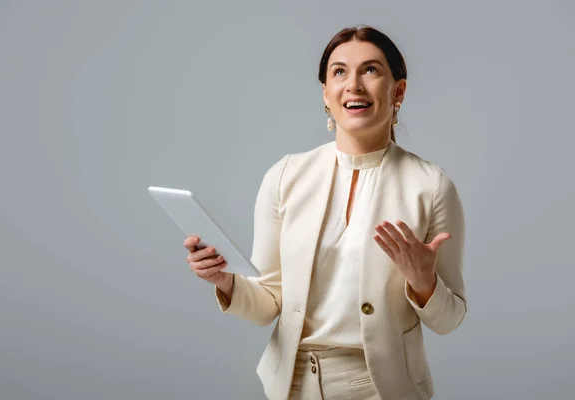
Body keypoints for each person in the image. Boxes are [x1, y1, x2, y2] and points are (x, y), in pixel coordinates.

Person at [183, 25, 466, 400]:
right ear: (326, 95)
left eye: (371, 70)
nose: (354, 85)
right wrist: (224, 281)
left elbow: (450, 320)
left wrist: (423, 282)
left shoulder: (430, 186)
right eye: (339, 72)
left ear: (398, 91)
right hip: (292, 386)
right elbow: (269, 304)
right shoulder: (285, 176)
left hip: (382, 389)